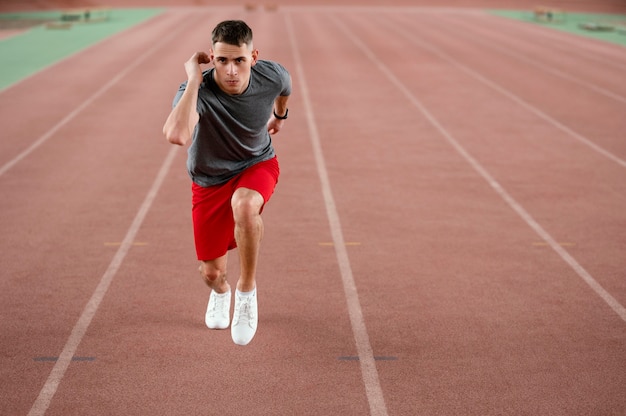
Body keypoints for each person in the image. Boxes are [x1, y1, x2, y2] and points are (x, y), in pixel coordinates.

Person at [162, 20, 291, 346]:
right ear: (212, 58)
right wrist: (193, 79)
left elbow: (285, 90)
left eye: (239, 60)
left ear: (254, 57)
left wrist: (279, 116)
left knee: (246, 205)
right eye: (222, 61)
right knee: (211, 274)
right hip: (209, 180)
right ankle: (223, 292)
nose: (231, 70)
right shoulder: (198, 91)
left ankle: (246, 294)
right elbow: (177, 135)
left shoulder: (272, 75)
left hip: (257, 163)